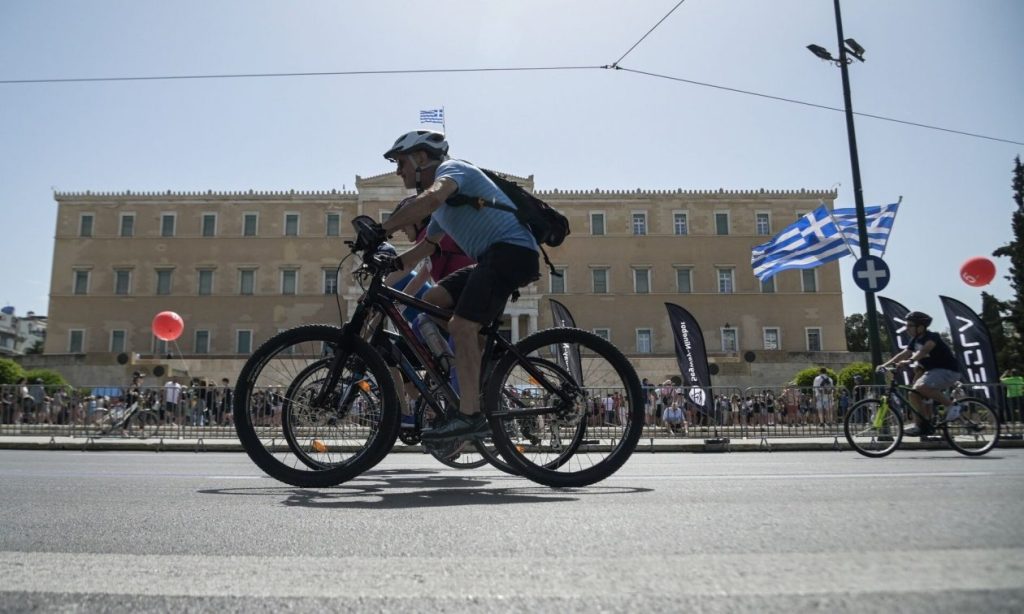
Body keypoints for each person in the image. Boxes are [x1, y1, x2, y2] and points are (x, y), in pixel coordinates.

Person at [379, 130, 540, 442]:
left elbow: (432, 198)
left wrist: (382, 228)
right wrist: (388, 264)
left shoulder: (452, 172)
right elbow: (425, 249)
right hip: (493, 257)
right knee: (433, 300)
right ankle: (465, 363)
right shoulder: (441, 209)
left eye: (401, 163)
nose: (398, 171)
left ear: (421, 158)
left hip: (511, 252)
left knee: (461, 326)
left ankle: (470, 415)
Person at [878, 311, 963, 437]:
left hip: (948, 370)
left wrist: (911, 360)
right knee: (913, 394)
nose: (906, 328)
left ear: (921, 327)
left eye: (910, 325)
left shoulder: (932, 336)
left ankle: (952, 406)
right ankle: (922, 425)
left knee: (920, 387)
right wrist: (885, 365)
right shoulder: (915, 340)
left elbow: (925, 350)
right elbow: (905, 353)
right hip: (933, 372)